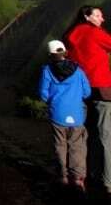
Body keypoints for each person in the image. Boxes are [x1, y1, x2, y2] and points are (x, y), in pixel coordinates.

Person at [63, 5, 111, 195]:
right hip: (101, 87)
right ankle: (110, 182)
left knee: (81, 135)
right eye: (98, 15)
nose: (103, 19)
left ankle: (80, 176)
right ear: (87, 17)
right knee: (106, 135)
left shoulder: (70, 36)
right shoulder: (94, 33)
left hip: (79, 89)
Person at [38, 39, 91, 191]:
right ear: (65, 52)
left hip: (57, 113)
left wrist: (52, 100)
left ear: (50, 54)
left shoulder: (47, 71)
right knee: (77, 145)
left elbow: (43, 93)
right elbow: (87, 92)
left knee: (60, 144)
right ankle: (78, 178)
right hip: (76, 114)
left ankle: (63, 175)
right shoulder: (78, 70)